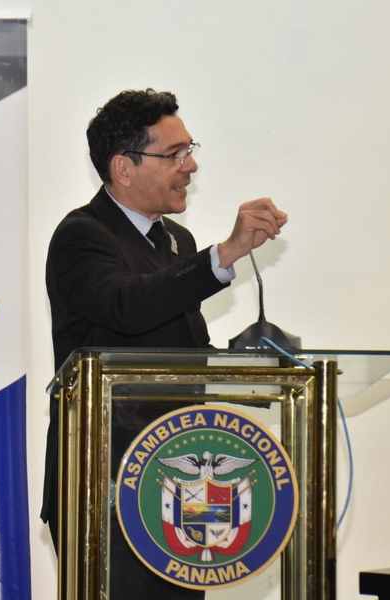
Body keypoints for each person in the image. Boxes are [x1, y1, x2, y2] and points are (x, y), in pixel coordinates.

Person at [42, 88, 288, 599]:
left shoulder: (177, 240)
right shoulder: (81, 235)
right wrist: (225, 254)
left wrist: (259, 369)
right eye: (174, 154)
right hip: (105, 486)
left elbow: (180, 347)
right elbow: (127, 307)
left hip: (179, 480)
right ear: (124, 168)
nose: (190, 165)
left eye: (189, 150)